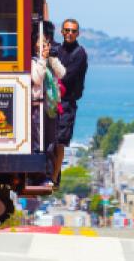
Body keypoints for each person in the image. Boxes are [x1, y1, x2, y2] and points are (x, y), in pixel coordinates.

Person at [53, 18, 88, 184]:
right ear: (62, 32)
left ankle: (54, 177)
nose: (70, 33)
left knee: (61, 140)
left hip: (67, 102)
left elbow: (66, 77)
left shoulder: (80, 54)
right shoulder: (57, 49)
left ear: (78, 33)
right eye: (67, 30)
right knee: (50, 138)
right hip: (53, 100)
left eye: (73, 31)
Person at [31, 29, 65, 186]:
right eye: (40, 41)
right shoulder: (32, 61)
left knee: (51, 143)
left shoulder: (49, 59)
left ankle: (49, 175)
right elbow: (37, 78)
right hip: (37, 106)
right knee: (38, 142)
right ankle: (37, 174)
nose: (43, 44)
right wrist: (43, 59)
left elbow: (62, 73)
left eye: (46, 41)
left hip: (50, 107)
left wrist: (52, 58)